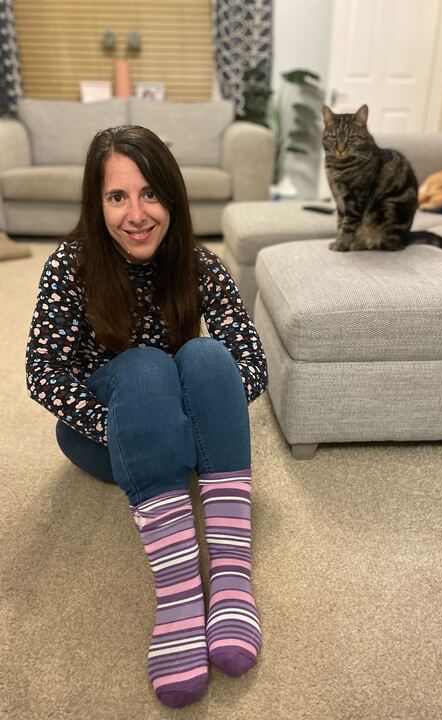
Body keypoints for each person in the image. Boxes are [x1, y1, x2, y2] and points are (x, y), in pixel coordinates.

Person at [25, 125, 268, 709]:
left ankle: (232, 575)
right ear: (96, 203)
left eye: (150, 194)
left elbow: (251, 362)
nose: (136, 214)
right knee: (144, 368)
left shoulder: (199, 263)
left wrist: (184, 416)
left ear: (173, 199)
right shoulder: (70, 265)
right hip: (104, 435)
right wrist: (138, 426)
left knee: (208, 356)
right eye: (117, 197)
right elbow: (43, 371)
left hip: (174, 422)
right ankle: (181, 596)